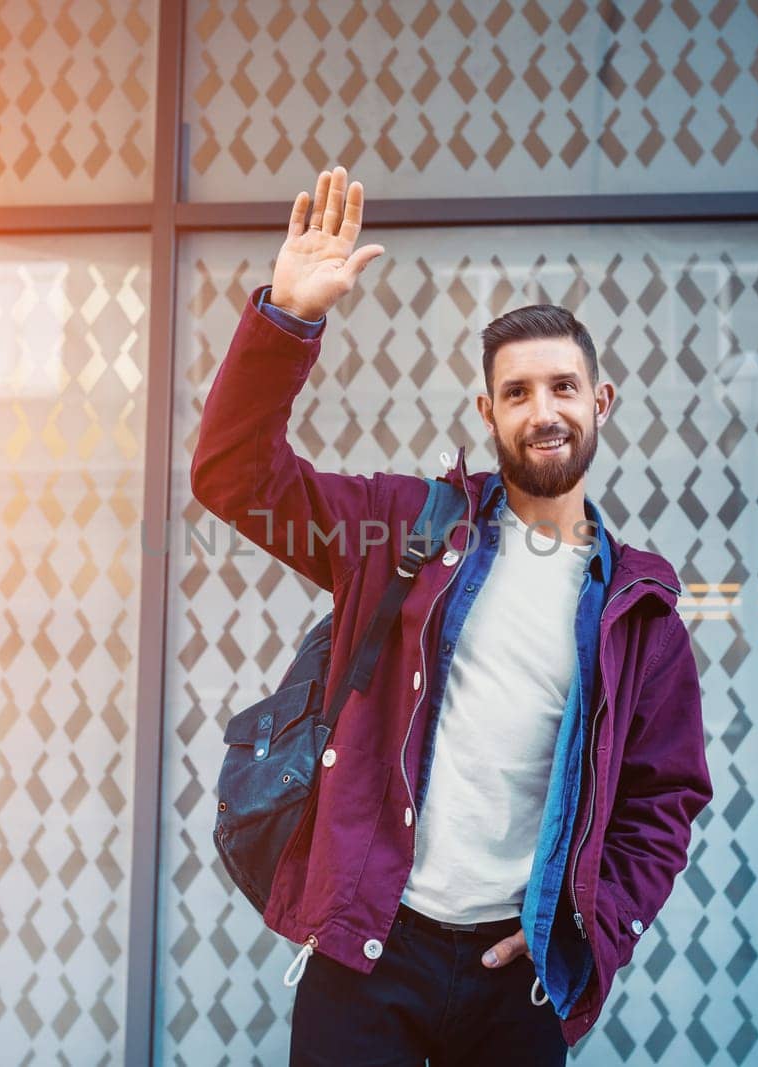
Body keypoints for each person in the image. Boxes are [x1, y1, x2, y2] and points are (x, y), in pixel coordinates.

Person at [190, 165, 712, 1066]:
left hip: (520, 970)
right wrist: (287, 316)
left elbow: (665, 797)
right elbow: (234, 477)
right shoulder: (406, 527)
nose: (542, 411)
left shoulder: (640, 613)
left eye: (561, 388)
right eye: (517, 393)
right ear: (487, 410)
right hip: (369, 947)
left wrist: (596, 927)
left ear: (600, 403)